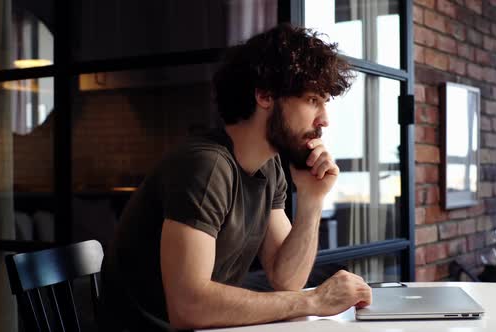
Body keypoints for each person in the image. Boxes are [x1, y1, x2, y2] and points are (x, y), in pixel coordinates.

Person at [99, 23, 372, 331]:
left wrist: (312, 199)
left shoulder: (268, 168)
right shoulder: (207, 165)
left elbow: (287, 279)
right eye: (312, 100)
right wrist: (313, 301)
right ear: (265, 95)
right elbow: (188, 307)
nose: (324, 120)